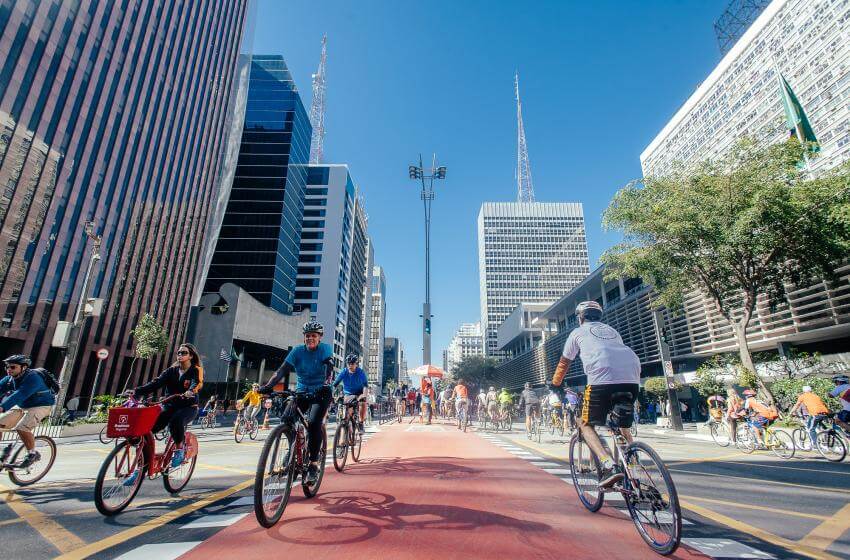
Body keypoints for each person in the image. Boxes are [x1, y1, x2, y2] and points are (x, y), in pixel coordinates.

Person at [549, 300, 641, 489]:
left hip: (601, 381)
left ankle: (609, 465)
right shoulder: (612, 331)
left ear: (580, 318)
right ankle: (635, 473)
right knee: (623, 427)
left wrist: (555, 384)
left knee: (584, 423)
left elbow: (564, 362)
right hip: (632, 378)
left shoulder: (577, 332)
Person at [259, 321, 334, 484]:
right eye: (307, 336)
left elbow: (329, 366)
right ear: (304, 337)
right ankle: (294, 450)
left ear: (319, 337)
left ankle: (313, 465)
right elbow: (282, 370)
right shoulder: (297, 351)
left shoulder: (325, 348)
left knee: (314, 423)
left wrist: (327, 383)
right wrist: (268, 386)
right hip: (302, 390)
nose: (310, 338)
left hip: (321, 391)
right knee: (286, 419)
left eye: (314, 336)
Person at [126, 344, 204, 469]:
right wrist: (137, 391)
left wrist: (191, 391)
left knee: (175, 421)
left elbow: (197, 383)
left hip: (188, 407)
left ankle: (179, 449)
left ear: (191, 356)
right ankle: (141, 468)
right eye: (179, 352)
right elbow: (155, 383)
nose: (180, 355)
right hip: (169, 406)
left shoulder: (195, 370)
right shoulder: (171, 371)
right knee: (147, 431)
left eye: (184, 353)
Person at [0, 355, 56, 467]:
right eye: (7, 367)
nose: (9, 370)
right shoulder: (9, 379)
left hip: (41, 405)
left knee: (22, 428)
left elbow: (20, 394)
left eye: (12, 367)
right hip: (22, 405)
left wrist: (2, 407)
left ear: (24, 367)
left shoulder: (34, 378)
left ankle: (32, 454)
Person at [333, 354, 369, 433]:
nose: (350, 365)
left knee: (363, 402)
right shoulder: (344, 371)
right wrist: (332, 393)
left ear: (356, 364)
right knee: (347, 414)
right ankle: (346, 430)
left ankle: (361, 423)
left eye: (352, 363)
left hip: (359, 393)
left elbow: (365, 386)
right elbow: (335, 384)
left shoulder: (360, 372)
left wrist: (364, 395)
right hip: (348, 395)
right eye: (348, 363)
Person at [790, 385, 830, 450]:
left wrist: (790, 413)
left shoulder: (802, 396)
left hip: (815, 414)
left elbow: (797, 405)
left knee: (810, 429)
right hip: (825, 413)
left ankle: (815, 444)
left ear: (803, 391)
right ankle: (827, 434)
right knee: (820, 426)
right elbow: (823, 404)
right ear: (810, 390)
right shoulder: (816, 396)